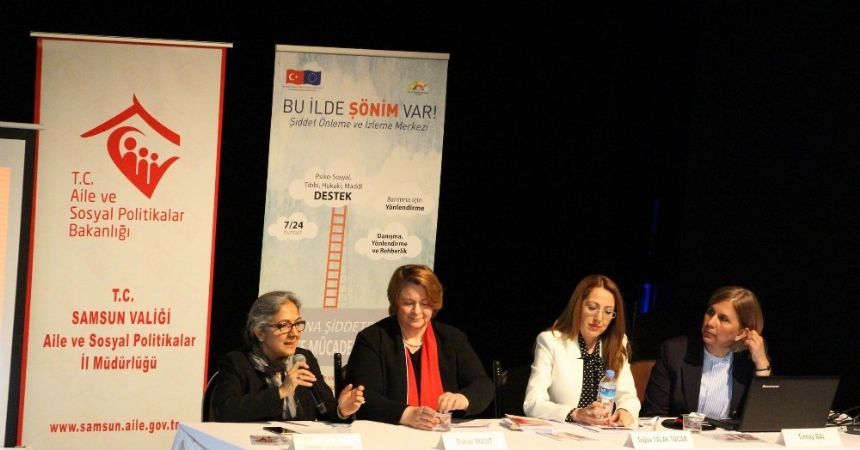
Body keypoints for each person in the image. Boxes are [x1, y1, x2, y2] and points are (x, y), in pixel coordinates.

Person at [347, 264, 494, 430]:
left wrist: (464, 399)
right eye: (408, 303)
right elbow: (363, 397)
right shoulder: (372, 339)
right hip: (390, 435)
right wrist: (407, 414)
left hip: (443, 434)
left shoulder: (452, 339)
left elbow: (483, 384)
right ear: (395, 302)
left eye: (425, 303)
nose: (417, 311)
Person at [210, 291, 365, 422]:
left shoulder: (304, 358)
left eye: (297, 324)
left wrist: (341, 410)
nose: (294, 333)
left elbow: (325, 411)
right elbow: (224, 411)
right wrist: (282, 391)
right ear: (260, 333)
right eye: (283, 325)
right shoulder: (237, 362)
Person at [523, 274, 640, 426]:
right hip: (563, 433)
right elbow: (532, 403)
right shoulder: (550, 341)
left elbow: (629, 397)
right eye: (592, 308)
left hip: (605, 432)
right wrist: (576, 413)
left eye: (608, 312)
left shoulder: (617, 342)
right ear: (577, 306)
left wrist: (625, 411)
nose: (598, 318)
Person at [642, 286, 771, 419]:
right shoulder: (675, 352)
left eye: (723, 319)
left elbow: (762, 418)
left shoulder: (748, 363)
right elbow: (653, 414)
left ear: (741, 333)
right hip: (679, 431)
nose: (710, 322)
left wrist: (762, 363)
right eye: (710, 312)